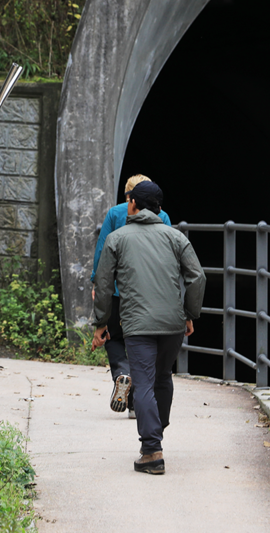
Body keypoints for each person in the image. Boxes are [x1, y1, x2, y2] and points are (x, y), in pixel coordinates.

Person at [92, 181, 205, 475]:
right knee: (163, 376)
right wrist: (189, 313)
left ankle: (152, 450)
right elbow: (197, 277)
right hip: (172, 324)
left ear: (132, 204)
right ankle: (156, 430)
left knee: (143, 382)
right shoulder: (175, 237)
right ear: (159, 208)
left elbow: (103, 284)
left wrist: (101, 323)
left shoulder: (117, 239)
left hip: (138, 324)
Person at [90, 174, 171, 418]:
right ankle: (136, 404)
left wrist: (97, 281)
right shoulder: (163, 216)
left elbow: (102, 250)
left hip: (116, 291)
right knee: (144, 344)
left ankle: (121, 373)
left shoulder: (115, 214)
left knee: (113, 337)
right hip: (150, 294)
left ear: (129, 196)